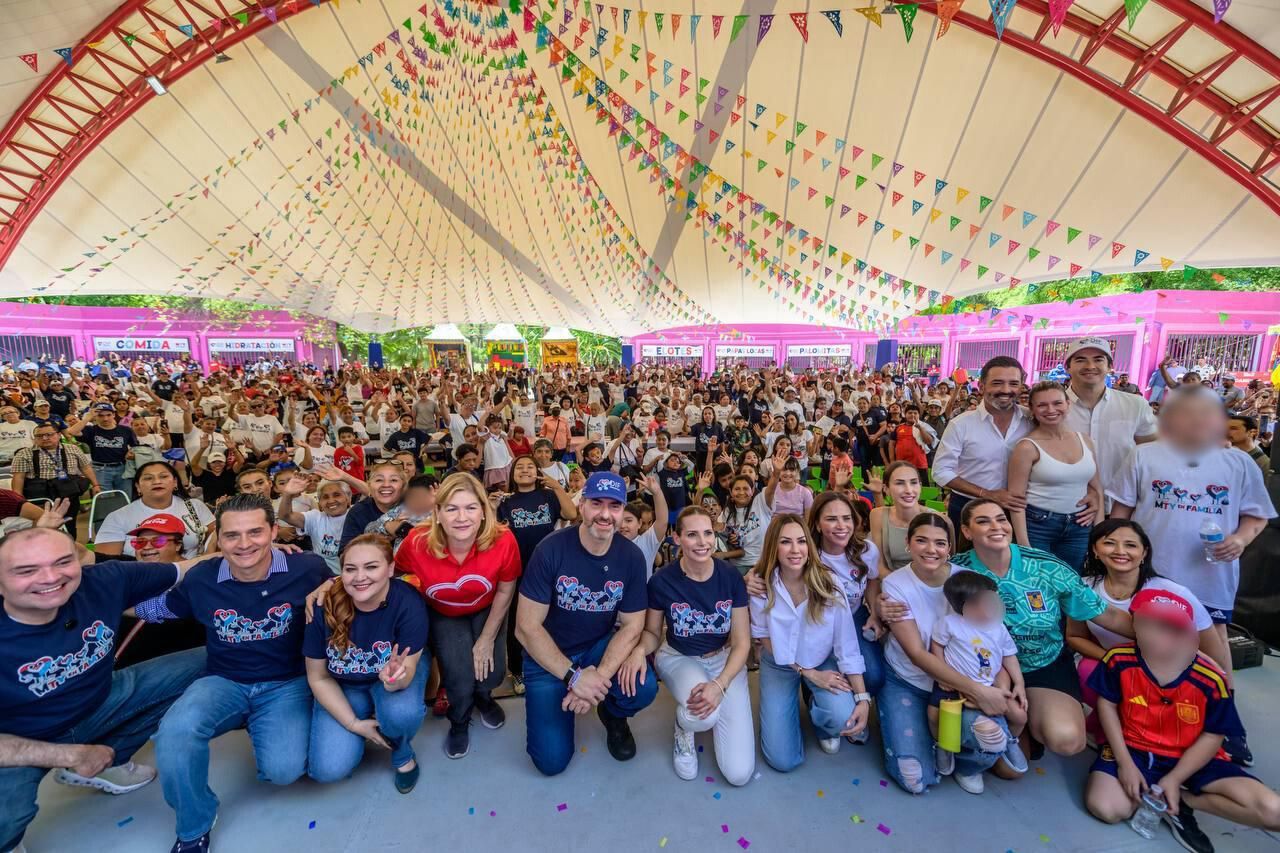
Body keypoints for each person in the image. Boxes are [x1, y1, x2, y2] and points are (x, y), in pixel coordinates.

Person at [132, 494, 333, 853]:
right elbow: (160, 608)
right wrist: (100, 602)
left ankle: (260, 723)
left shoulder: (307, 568)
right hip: (224, 681)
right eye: (232, 535)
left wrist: (332, 586)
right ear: (218, 539)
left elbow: (345, 590)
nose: (244, 544)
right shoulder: (201, 578)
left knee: (284, 771)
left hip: (286, 683)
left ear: (274, 531)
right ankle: (194, 826)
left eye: (255, 532)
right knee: (174, 732)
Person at [0, 528, 207, 853]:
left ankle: (111, 760)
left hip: (101, 700)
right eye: (26, 570)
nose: (51, 577)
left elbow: (188, 567)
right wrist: (72, 755)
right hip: (16, 744)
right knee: (3, 820)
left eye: (62, 561)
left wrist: (263, 550)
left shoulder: (104, 579)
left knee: (214, 660)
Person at [1084, 589, 1280, 852]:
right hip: (1135, 749)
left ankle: (1184, 802)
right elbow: (1106, 704)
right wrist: (1125, 763)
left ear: (1186, 632)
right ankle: (1158, 793)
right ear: (1134, 624)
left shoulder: (1210, 678)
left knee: (1273, 812)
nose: (1156, 635)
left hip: (1191, 757)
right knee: (1105, 808)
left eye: (1168, 627)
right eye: (1147, 623)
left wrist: (1175, 779)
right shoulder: (1119, 659)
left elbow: (1214, 734)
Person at [946, 499, 1133, 764]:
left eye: (1001, 519)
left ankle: (1032, 715)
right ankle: (1018, 723)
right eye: (983, 521)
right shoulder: (956, 571)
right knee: (1007, 769)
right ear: (966, 531)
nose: (996, 526)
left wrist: (1158, 638)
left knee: (1067, 740)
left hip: (1042, 665)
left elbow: (1105, 613)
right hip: (984, 671)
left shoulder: (1047, 567)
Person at [515, 471, 658, 776]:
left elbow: (633, 625)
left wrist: (599, 678)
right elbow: (526, 627)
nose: (605, 514)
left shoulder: (631, 557)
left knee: (642, 685)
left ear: (623, 512)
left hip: (596, 648)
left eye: (614, 506)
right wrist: (574, 678)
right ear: (581, 506)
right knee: (550, 762)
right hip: (548, 656)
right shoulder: (550, 550)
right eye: (596, 503)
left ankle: (612, 712)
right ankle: (574, 697)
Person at [394, 474, 521, 759]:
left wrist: (487, 638)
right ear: (437, 513)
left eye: (471, 507)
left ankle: (484, 698)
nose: (461, 517)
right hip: (443, 613)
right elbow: (391, 572)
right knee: (458, 677)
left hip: (489, 607)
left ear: (483, 512)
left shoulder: (503, 540)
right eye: (451, 508)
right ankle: (460, 719)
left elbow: (505, 590)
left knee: (493, 671)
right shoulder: (416, 542)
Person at [1066, 519, 1223, 744]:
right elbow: (1075, 636)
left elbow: (1210, 649)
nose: (1120, 551)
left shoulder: (1171, 591)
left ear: (1144, 552)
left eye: (1131, 545)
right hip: (1112, 664)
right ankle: (1109, 720)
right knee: (1087, 671)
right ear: (1095, 550)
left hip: (1166, 671)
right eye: (1109, 543)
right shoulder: (1084, 588)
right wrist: (1116, 661)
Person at [637, 507, 754, 785]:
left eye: (707, 533)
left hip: (724, 660)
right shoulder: (662, 581)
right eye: (692, 534)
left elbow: (742, 642)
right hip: (680, 657)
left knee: (739, 774)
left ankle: (709, 703)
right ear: (676, 538)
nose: (702, 542)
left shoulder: (730, 578)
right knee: (703, 716)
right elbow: (653, 632)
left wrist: (720, 684)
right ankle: (683, 726)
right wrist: (639, 651)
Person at [303, 534, 428, 793]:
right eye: (351, 569)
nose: (360, 577)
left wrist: (395, 679)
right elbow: (318, 677)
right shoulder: (322, 605)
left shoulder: (408, 602)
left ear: (391, 569)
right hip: (344, 687)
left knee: (401, 713)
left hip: (388, 685)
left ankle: (402, 752)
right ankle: (366, 726)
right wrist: (352, 724)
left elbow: (410, 668)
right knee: (328, 769)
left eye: (371, 567)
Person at [748, 514, 870, 772]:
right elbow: (763, 636)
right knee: (782, 760)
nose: (795, 550)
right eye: (785, 542)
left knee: (842, 718)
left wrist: (861, 698)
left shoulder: (829, 582)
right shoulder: (761, 584)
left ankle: (821, 717)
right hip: (780, 661)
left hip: (821, 658)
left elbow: (847, 644)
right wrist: (809, 674)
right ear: (773, 547)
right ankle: (804, 692)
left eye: (801, 541)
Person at [926, 570, 1028, 788]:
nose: (988, 608)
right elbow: (937, 645)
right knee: (934, 715)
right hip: (952, 684)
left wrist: (1019, 683)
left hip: (989, 685)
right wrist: (941, 671)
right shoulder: (950, 624)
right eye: (979, 603)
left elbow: (1009, 656)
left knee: (1018, 716)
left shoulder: (998, 628)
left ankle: (1008, 740)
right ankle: (941, 745)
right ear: (962, 605)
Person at [497, 456, 579, 691]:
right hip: (516, 570)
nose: (524, 470)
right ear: (512, 474)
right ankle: (518, 670)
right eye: (519, 467)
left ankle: (553, 664)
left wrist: (555, 486)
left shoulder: (549, 496)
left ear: (538, 472)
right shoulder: (506, 501)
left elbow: (572, 513)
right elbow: (492, 532)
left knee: (552, 619)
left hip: (548, 569)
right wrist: (492, 507)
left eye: (530, 467)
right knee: (518, 622)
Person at [932, 356, 1034, 537]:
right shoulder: (961, 424)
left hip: (1021, 510)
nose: (1006, 390)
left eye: (1013, 384)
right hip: (968, 506)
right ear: (981, 386)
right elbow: (941, 471)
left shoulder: (1032, 420)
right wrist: (986, 493)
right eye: (997, 383)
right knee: (966, 563)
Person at [1007, 381, 1103, 571]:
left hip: (1080, 526)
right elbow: (1016, 500)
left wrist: (1099, 532)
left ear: (1068, 404)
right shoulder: (1026, 447)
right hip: (1038, 525)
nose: (1050, 409)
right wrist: (1024, 545)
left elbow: (1097, 488)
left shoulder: (1085, 440)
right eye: (1042, 405)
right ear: (1032, 409)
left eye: (1057, 403)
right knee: (1039, 581)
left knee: (1071, 581)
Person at [1061, 338, 1156, 504]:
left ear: (1110, 367)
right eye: (1080, 360)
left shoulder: (1135, 405)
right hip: (1065, 508)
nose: (1090, 366)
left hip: (1121, 507)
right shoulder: (1050, 409)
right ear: (1067, 367)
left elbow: (1152, 452)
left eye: (1098, 360)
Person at [94, 461, 214, 559]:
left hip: (193, 576)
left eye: (164, 476)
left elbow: (217, 540)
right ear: (137, 486)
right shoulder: (117, 517)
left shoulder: (195, 506)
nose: (157, 481)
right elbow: (107, 563)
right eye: (148, 478)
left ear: (175, 482)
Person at [10, 423, 99, 540]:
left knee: (69, 524)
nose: (45, 438)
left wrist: (95, 485)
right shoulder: (24, 453)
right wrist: (18, 498)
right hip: (40, 495)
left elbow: (86, 468)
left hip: (68, 493)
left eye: (49, 434)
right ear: (34, 438)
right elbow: (18, 477)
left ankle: (69, 547)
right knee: (42, 526)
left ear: (58, 435)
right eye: (40, 436)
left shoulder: (73, 449)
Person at [868, 461, 936, 572]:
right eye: (899, 483)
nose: (908, 490)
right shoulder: (877, 515)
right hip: (891, 583)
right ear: (886, 489)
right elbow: (879, 565)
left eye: (914, 482)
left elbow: (946, 565)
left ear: (920, 486)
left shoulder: (939, 520)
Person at [277, 474, 352, 572]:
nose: (331, 500)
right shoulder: (316, 517)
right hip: (325, 578)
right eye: (325, 497)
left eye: (337, 495)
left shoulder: (357, 514)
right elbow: (285, 516)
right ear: (320, 503)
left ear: (348, 498)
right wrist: (287, 494)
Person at [65, 403, 137, 494]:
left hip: (123, 468)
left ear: (114, 415)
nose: (105, 418)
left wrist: (131, 452)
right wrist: (87, 417)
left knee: (125, 498)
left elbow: (135, 446)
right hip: (100, 469)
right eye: (100, 415)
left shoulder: (126, 430)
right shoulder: (90, 430)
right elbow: (71, 432)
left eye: (108, 415)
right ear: (95, 417)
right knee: (104, 500)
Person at [338, 461, 406, 551]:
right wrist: (386, 529)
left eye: (393, 480)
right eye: (379, 480)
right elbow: (345, 553)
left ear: (404, 486)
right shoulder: (358, 511)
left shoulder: (417, 508)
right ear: (369, 485)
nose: (386, 485)